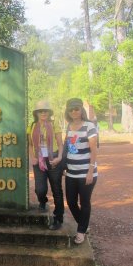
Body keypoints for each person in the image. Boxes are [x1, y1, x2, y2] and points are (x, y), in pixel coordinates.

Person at [64, 98, 98, 244]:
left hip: (86, 172)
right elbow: (69, 149)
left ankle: (81, 231)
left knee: (84, 202)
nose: (74, 112)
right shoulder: (69, 126)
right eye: (71, 109)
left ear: (81, 110)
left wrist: (90, 170)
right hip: (71, 172)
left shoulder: (89, 126)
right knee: (71, 202)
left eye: (76, 109)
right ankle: (83, 225)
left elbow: (94, 150)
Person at [27, 100, 64, 230]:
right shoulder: (31, 126)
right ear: (36, 113)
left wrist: (59, 157)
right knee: (40, 189)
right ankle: (42, 201)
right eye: (40, 111)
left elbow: (60, 144)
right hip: (38, 161)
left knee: (56, 190)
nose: (43, 113)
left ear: (49, 113)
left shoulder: (54, 125)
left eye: (46, 111)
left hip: (53, 160)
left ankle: (58, 218)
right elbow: (30, 144)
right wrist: (32, 158)